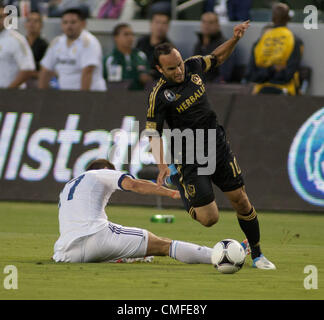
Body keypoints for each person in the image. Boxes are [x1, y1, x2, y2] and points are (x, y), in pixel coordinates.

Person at [144, 21, 276, 270]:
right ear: (159, 69)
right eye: (172, 68)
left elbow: (216, 57)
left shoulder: (193, 66)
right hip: (190, 155)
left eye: (180, 63)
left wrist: (235, 38)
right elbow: (153, 134)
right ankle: (178, 176)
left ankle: (257, 254)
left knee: (241, 200)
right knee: (209, 219)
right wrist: (163, 165)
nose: (179, 70)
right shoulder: (159, 96)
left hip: (217, 145)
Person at [53, 158, 213, 264]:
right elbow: (134, 184)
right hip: (96, 236)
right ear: (105, 169)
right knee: (164, 245)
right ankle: (216, 255)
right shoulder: (101, 172)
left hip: (65, 252)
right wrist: (171, 193)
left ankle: (124, 256)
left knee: (111, 242)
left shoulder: (67, 188)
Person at [39, 8, 106, 91]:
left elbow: (88, 72)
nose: (69, 26)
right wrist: (41, 97)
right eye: (65, 22)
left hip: (90, 96)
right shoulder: (56, 42)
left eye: (73, 22)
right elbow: (45, 70)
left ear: (83, 24)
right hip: (65, 95)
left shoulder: (89, 42)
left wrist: (83, 98)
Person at [245, 3, 303, 95]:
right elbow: (288, 74)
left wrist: (266, 72)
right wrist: (274, 68)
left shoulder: (260, 41)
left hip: (261, 90)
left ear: (272, 18)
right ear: (288, 19)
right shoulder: (294, 40)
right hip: (286, 91)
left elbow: (252, 75)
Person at [103, 23, 151, 90]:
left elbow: (148, 78)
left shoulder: (141, 56)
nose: (130, 37)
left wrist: (145, 78)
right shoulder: (109, 59)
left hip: (139, 97)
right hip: (115, 97)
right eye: (126, 34)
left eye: (132, 34)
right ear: (116, 37)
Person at [193, 12, 235, 83]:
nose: (206, 25)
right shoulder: (198, 44)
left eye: (210, 22)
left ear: (218, 25)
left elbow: (224, 75)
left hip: (214, 87)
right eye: (204, 22)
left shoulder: (224, 45)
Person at [0, 3, 35, 88]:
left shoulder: (16, 40)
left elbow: (28, 69)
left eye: (0, 17)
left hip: (11, 95)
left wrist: (8, 91)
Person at [136, 11, 171, 80]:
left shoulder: (169, 48)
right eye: (157, 22)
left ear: (168, 27)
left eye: (164, 23)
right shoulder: (141, 42)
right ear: (151, 24)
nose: (160, 26)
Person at [24, 11, 48, 88]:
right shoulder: (20, 42)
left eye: (35, 21)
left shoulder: (44, 45)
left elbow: (46, 69)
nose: (32, 24)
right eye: (29, 20)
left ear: (41, 25)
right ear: (25, 24)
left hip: (36, 80)